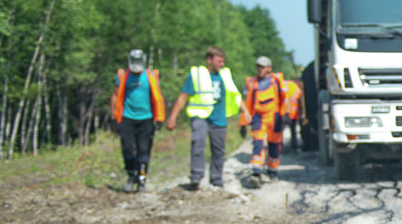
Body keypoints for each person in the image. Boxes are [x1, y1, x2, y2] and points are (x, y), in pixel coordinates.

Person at [166, 46, 242, 190]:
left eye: (223, 61)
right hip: (200, 115)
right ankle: (196, 176)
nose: (222, 64)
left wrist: (245, 112)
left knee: (218, 150)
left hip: (219, 118)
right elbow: (183, 97)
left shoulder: (225, 74)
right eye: (219, 61)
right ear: (209, 60)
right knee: (198, 143)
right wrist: (172, 117)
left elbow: (235, 94)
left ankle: (216, 180)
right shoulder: (197, 75)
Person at [109, 49, 166, 193]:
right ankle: (131, 174)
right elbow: (115, 95)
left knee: (143, 150)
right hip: (127, 118)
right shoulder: (122, 75)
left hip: (146, 119)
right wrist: (113, 117)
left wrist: (159, 118)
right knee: (127, 148)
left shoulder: (151, 75)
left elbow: (158, 96)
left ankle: (141, 179)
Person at [242, 56, 287, 188]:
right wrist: (243, 123)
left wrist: (285, 115)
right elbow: (246, 102)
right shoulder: (252, 82)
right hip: (258, 117)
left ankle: (272, 172)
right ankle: (256, 172)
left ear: (269, 68)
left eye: (263, 67)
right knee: (257, 143)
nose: (260, 69)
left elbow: (285, 99)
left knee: (274, 146)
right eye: (258, 66)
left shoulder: (277, 81)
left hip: (274, 117)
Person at [281, 76, 304, 153]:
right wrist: (302, 115)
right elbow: (299, 103)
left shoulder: (287, 84)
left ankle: (278, 148)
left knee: (280, 131)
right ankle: (294, 147)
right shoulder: (297, 90)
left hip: (282, 113)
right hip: (292, 114)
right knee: (293, 132)